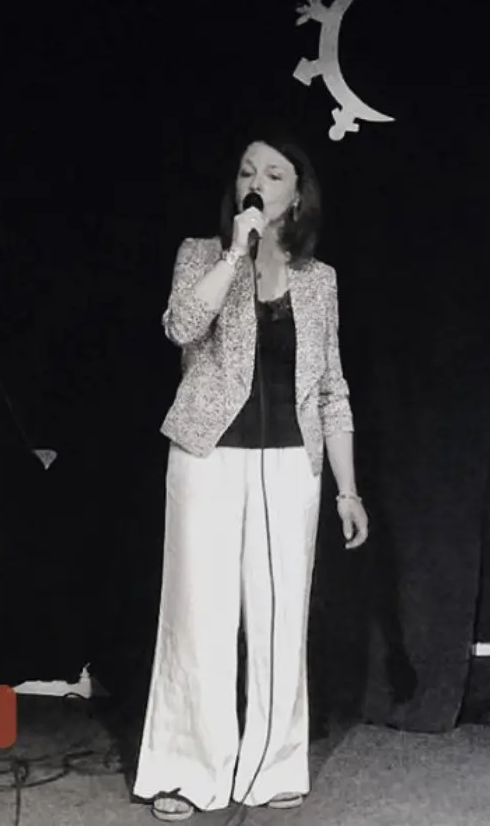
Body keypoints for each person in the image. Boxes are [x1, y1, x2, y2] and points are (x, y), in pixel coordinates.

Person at [134, 133, 371, 822]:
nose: (256, 183)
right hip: (207, 455)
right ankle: (189, 770)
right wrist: (235, 253)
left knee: (279, 614)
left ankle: (272, 763)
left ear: (297, 195)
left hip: (290, 464)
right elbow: (181, 326)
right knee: (199, 616)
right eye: (246, 172)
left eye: (273, 174)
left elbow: (331, 389)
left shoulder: (319, 279)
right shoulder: (200, 253)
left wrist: (347, 490)